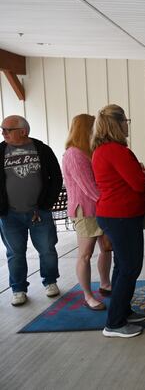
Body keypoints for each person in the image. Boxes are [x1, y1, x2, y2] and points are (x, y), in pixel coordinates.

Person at [92, 104, 145, 338]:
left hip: (114, 214)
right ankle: (114, 322)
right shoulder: (116, 150)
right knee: (130, 268)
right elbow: (137, 183)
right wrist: (144, 174)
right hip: (121, 216)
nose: (128, 125)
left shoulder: (101, 149)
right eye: (126, 120)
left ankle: (123, 311)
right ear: (118, 124)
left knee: (122, 266)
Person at [0, 115, 62, 307]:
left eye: (7, 129)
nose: (3, 133)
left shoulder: (42, 149)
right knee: (15, 253)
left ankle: (50, 282)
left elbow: (56, 178)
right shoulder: (0, 151)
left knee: (47, 249)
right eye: (2, 129)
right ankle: (18, 289)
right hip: (9, 215)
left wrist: (47, 204)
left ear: (22, 131)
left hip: (39, 212)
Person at [62, 114, 112, 310]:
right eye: (94, 127)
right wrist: (111, 201)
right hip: (86, 210)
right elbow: (89, 187)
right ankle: (87, 295)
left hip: (100, 207)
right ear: (85, 129)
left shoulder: (90, 151)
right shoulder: (74, 154)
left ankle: (105, 284)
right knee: (85, 254)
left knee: (106, 248)